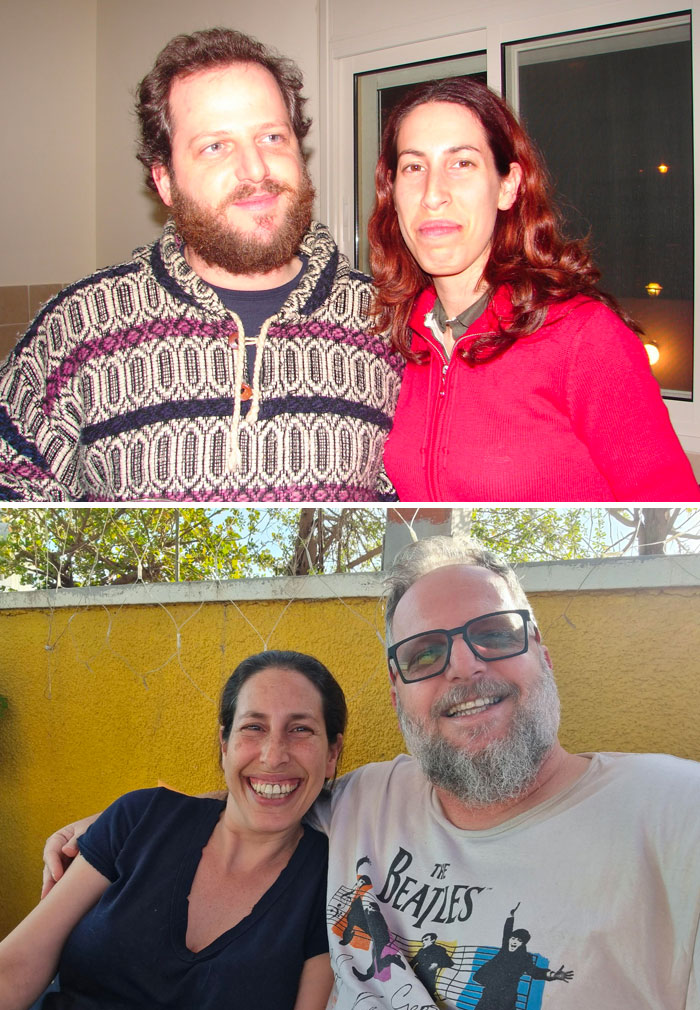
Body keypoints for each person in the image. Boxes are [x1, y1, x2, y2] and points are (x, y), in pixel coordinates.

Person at [41, 537, 700, 1009]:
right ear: (397, 693)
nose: (464, 667)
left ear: (543, 654)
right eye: (425, 653)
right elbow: (271, 787)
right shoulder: (367, 799)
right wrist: (118, 823)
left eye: (496, 633)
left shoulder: (674, 814)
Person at [0, 28, 402, 502]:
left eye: (272, 136)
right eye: (215, 146)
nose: (255, 169)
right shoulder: (80, 326)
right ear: (166, 181)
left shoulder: (387, 322)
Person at [368, 77, 699, 501]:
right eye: (414, 167)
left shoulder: (584, 338)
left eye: (462, 163)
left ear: (507, 185)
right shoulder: (396, 341)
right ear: (391, 190)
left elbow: (675, 521)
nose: (433, 194)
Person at [0, 650, 345, 1009]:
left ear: (332, 753)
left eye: (300, 729)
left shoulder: (333, 882)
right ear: (225, 744)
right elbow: (16, 964)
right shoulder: (143, 818)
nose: (274, 756)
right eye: (253, 727)